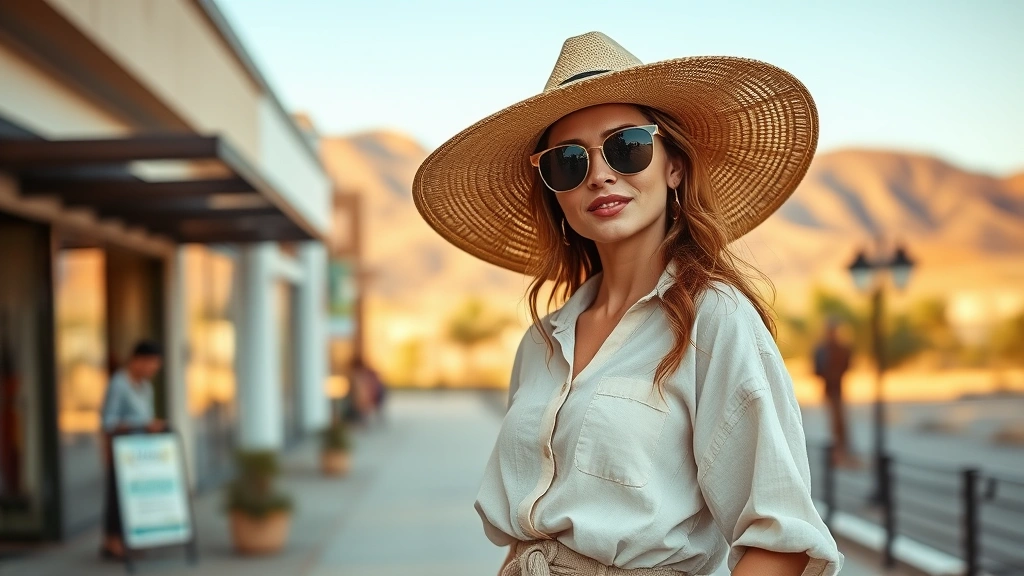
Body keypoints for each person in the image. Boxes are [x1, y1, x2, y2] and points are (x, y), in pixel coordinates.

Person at [413, 32, 844, 575]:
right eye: (568, 161)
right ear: (554, 190)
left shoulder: (714, 320)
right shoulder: (542, 343)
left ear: (674, 166)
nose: (599, 173)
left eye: (628, 146)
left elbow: (780, 540)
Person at [98, 339, 166, 560]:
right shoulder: (119, 384)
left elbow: (145, 416)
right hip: (122, 449)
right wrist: (141, 425)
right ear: (138, 360)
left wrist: (151, 427)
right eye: (150, 365)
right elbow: (109, 421)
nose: (151, 371)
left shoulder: (146, 387)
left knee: (133, 496)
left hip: (140, 453)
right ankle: (113, 542)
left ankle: (130, 539)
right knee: (117, 496)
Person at [813, 319, 856, 468]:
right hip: (830, 389)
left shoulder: (840, 348)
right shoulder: (823, 349)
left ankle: (843, 452)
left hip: (837, 388)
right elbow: (817, 369)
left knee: (840, 422)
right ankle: (838, 454)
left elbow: (847, 364)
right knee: (835, 423)